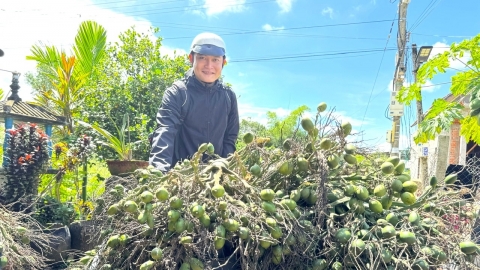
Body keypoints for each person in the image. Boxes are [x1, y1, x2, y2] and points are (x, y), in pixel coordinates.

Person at [149, 32, 240, 172]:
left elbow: (230, 138)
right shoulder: (178, 93)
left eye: (215, 59)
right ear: (191, 58)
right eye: (202, 58)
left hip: (214, 179)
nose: (209, 65)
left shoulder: (228, 97)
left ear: (224, 62)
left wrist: (226, 171)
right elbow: (165, 131)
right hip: (179, 175)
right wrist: (159, 171)